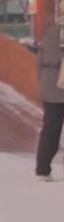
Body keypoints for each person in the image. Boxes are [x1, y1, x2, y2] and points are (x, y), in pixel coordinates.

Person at [36, 17, 64, 181]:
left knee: (50, 130)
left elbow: (39, 62)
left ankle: (42, 170)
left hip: (50, 85)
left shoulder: (50, 33)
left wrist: (45, 82)